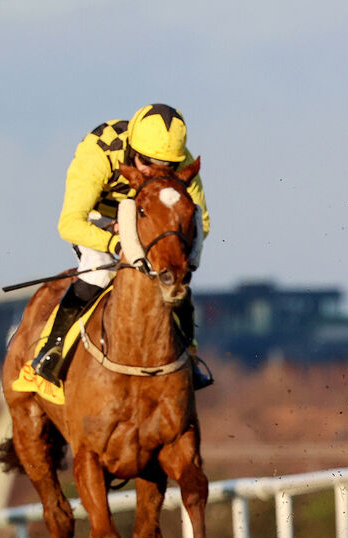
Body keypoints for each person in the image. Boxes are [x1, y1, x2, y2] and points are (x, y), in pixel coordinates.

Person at [30, 103, 212, 392]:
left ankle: (189, 357)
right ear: (133, 151)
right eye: (148, 164)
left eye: (167, 168)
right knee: (99, 275)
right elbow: (69, 224)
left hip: (149, 228)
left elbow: (200, 219)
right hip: (97, 219)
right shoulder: (99, 152)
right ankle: (51, 351)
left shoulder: (181, 160)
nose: (157, 174)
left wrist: (174, 255)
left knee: (175, 282)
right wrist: (118, 241)